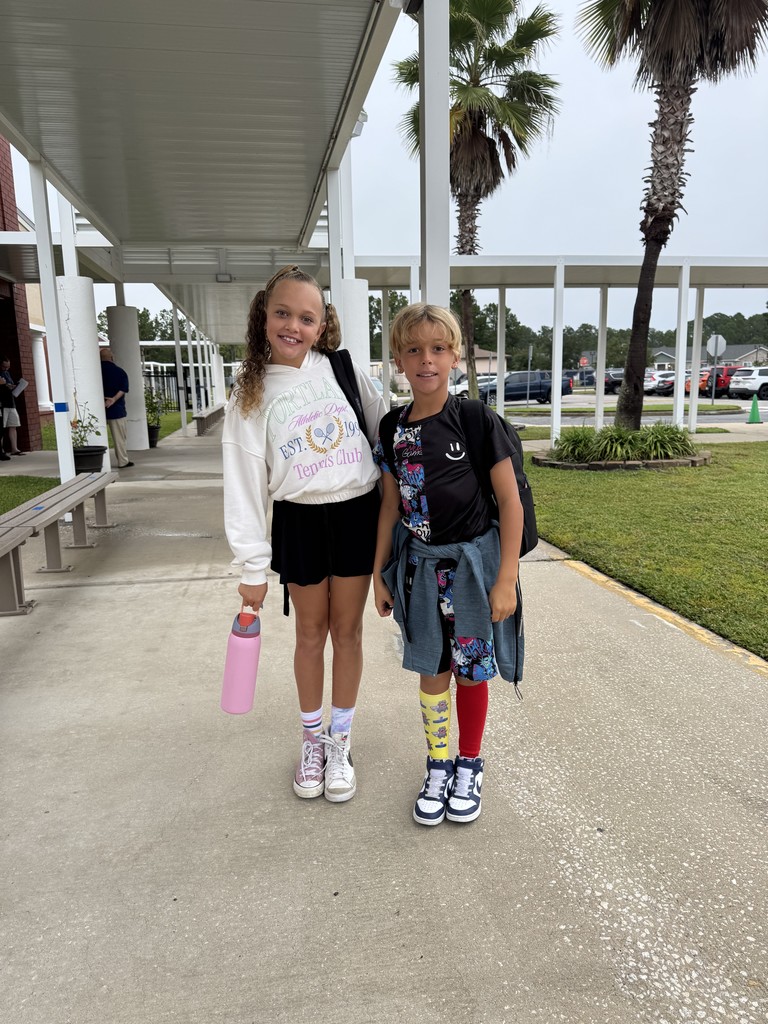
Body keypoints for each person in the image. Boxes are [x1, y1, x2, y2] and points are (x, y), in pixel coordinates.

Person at [222, 265, 386, 803]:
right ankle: (311, 742)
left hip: (357, 513)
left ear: (322, 325)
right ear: (263, 317)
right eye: (283, 313)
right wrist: (251, 567)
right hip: (300, 518)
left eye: (306, 317)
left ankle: (341, 741)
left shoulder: (339, 369)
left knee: (349, 632)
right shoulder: (249, 391)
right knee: (310, 633)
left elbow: (386, 425)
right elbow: (244, 483)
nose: (293, 325)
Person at [371, 304, 524, 826]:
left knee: (471, 669)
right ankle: (438, 763)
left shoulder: (476, 421)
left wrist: (507, 579)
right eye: (413, 349)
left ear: (456, 357)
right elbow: (391, 506)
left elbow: (510, 504)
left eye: (438, 349)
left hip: (471, 572)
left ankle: (469, 763)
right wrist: (380, 573)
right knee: (432, 669)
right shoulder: (393, 427)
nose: (426, 359)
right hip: (417, 571)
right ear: (397, 360)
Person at [99, 347, 134, 468]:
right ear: (112, 358)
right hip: (117, 409)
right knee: (119, 438)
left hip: (98, 408)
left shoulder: (95, 372)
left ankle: (101, 463)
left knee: (96, 436)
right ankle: (122, 461)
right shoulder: (120, 372)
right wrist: (113, 399)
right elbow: (123, 389)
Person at [1, 355, 24, 456]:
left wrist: (14, 386)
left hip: (11, 403)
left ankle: (15, 448)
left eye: (8, 367)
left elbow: (10, 384)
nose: (6, 369)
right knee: (1, 428)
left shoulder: (8, 374)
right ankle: (1, 451)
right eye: (4, 367)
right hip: (3, 404)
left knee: (13, 425)